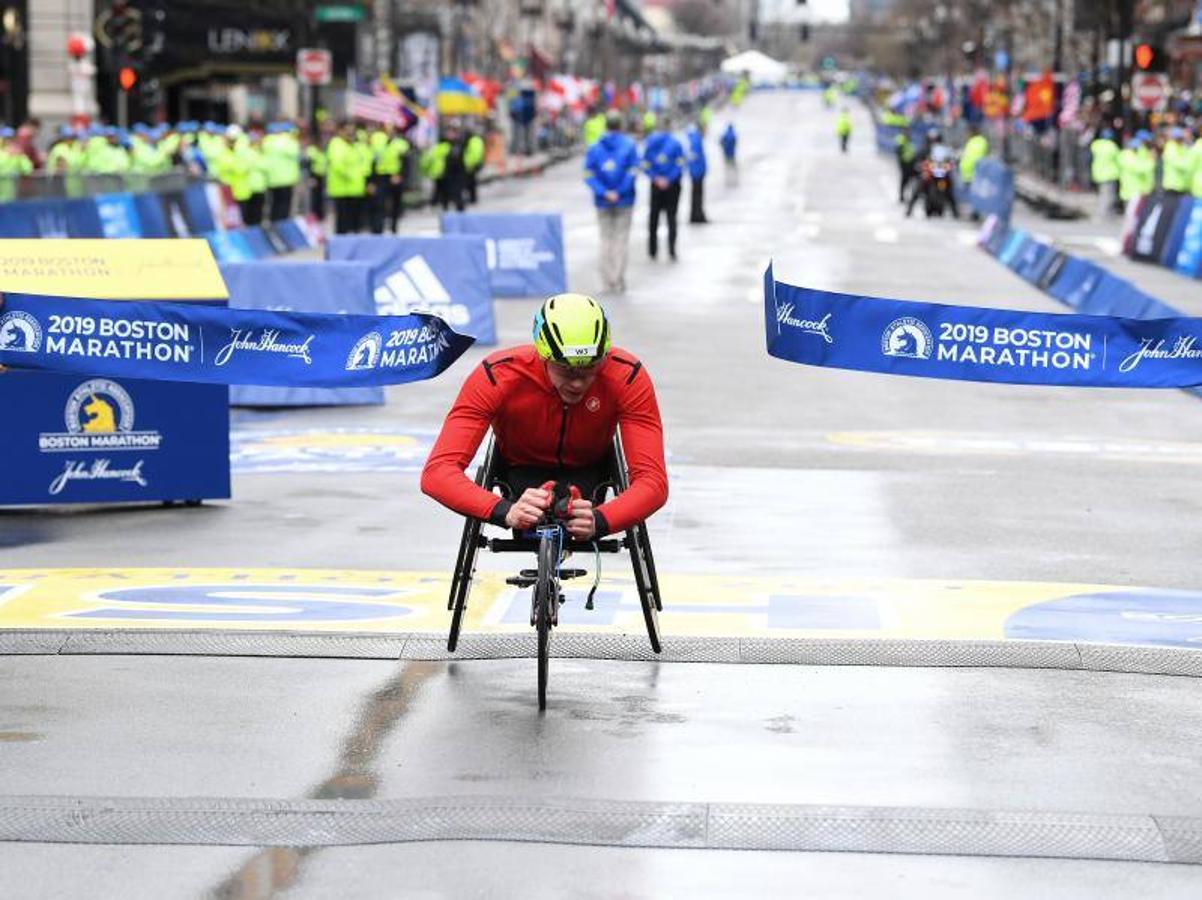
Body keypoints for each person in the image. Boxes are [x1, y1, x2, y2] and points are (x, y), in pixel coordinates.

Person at [420, 293, 668, 542]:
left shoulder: (627, 375)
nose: (578, 381)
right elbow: (438, 472)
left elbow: (653, 482)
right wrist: (504, 510)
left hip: (590, 473)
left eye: (591, 366)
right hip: (519, 472)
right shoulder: (497, 375)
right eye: (566, 368)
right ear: (542, 354)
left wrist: (602, 519)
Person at [584, 110, 639, 294]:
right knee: (621, 239)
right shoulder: (629, 145)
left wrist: (604, 192)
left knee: (605, 239)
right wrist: (619, 192)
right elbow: (632, 172)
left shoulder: (594, 147)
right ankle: (618, 278)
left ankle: (607, 281)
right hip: (624, 200)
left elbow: (588, 175)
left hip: (602, 202)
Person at [642, 115, 685, 261]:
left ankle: (652, 250)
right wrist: (669, 179)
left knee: (654, 217)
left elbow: (645, 164)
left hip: (656, 185)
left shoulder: (651, 142)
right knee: (671, 217)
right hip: (672, 186)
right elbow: (680, 164)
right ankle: (672, 250)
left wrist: (656, 178)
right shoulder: (675, 143)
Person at [326, 120, 368, 234]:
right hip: (341, 189)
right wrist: (351, 175)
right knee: (342, 220)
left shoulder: (357, 145)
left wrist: (365, 177)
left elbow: (365, 162)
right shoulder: (336, 144)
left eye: (352, 130)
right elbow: (337, 164)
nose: (350, 133)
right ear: (340, 131)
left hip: (356, 188)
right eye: (347, 130)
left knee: (356, 221)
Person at [369, 122, 410, 233]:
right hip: (381, 177)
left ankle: (394, 228)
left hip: (395, 177)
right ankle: (378, 229)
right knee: (379, 204)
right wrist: (371, 181)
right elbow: (372, 161)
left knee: (395, 204)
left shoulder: (401, 144)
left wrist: (400, 175)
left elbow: (406, 162)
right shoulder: (377, 141)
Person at [1089, 128, 1121, 218]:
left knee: (1102, 195)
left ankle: (1101, 213)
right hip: (1109, 174)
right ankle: (1104, 214)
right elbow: (1119, 159)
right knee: (1109, 196)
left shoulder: (1096, 145)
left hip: (1098, 173)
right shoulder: (1112, 146)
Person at [685, 118, 709, 224]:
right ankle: (697, 215)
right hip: (697, 172)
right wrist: (697, 170)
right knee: (697, 195)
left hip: (697, 172)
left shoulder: (695, 138)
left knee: (697, 195)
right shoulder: (696, 139)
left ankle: (697, 215)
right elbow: (694, 156)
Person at [464, 126, 486, 205]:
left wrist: (471, 164)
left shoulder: (473, 140)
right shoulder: (477, 140)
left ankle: (472, 198)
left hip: (472, 164)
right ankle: (472, 198)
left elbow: (475, 154)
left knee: (471, 182)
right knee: (472, 182)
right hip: (474, 163)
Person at [719, 121, 737, 187]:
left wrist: (724, 147)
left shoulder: (725, 134)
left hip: (726, 153)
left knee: (727, 166)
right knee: (733, 166)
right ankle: (733, 179)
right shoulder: (733, 134)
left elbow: (720, 141)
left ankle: (728, 179)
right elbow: (735, 143)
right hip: (732, 153)